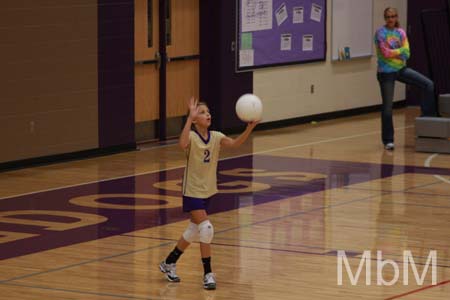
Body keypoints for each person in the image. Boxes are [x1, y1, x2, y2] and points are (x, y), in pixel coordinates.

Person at [159, 97, 259, 290]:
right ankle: (208, 274)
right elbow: (181, 144)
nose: (208, 115)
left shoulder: (216, 136)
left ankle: (168, 262)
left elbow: (235, 144)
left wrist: (249, 128)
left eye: (208, 112)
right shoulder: (193, 137)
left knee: (193, 230)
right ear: (196, 119)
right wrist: (190, 118)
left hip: (207, 190)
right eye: (203, 112)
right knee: (206, 229)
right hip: (192, 190)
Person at [374, 7, 437, 150]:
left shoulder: (401, 32)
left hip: (401, 69)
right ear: (385, 18)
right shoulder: (380, 33)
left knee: (428, 84)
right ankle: (388, 140)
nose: (391, 19)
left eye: (393, 16)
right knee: (388, 107)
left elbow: (407, 54)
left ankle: (427, 121)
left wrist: (396, 52)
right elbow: (385, 53)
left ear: (397, 17)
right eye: (388, 17)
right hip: (386, 72)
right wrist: (399, 51)